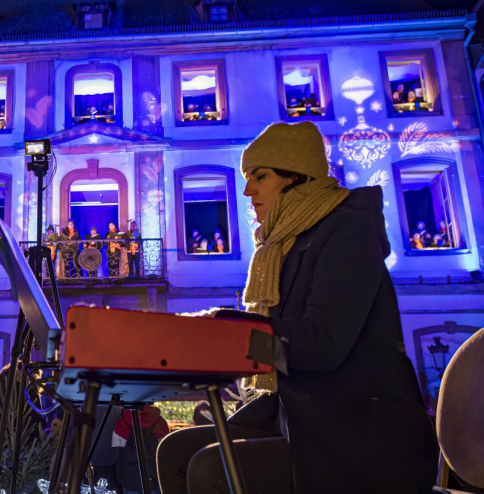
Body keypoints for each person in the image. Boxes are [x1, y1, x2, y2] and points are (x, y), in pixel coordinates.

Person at [158, 121, 437, 494]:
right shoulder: (282, 247)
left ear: (295, 177)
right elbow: (281, 344)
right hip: (306, 422)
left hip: (360, 436)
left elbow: (323, 345)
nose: (247, 190)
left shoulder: (346, 231)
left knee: (213, 466)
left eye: (260, 176)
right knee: (174, 449)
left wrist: (229, 330)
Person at [113, 406, 169, 494]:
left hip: (129, 478)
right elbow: (165, 454)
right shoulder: (161, 423)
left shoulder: (121, 423)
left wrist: (120, 478)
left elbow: (116, 455)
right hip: (155, 478)